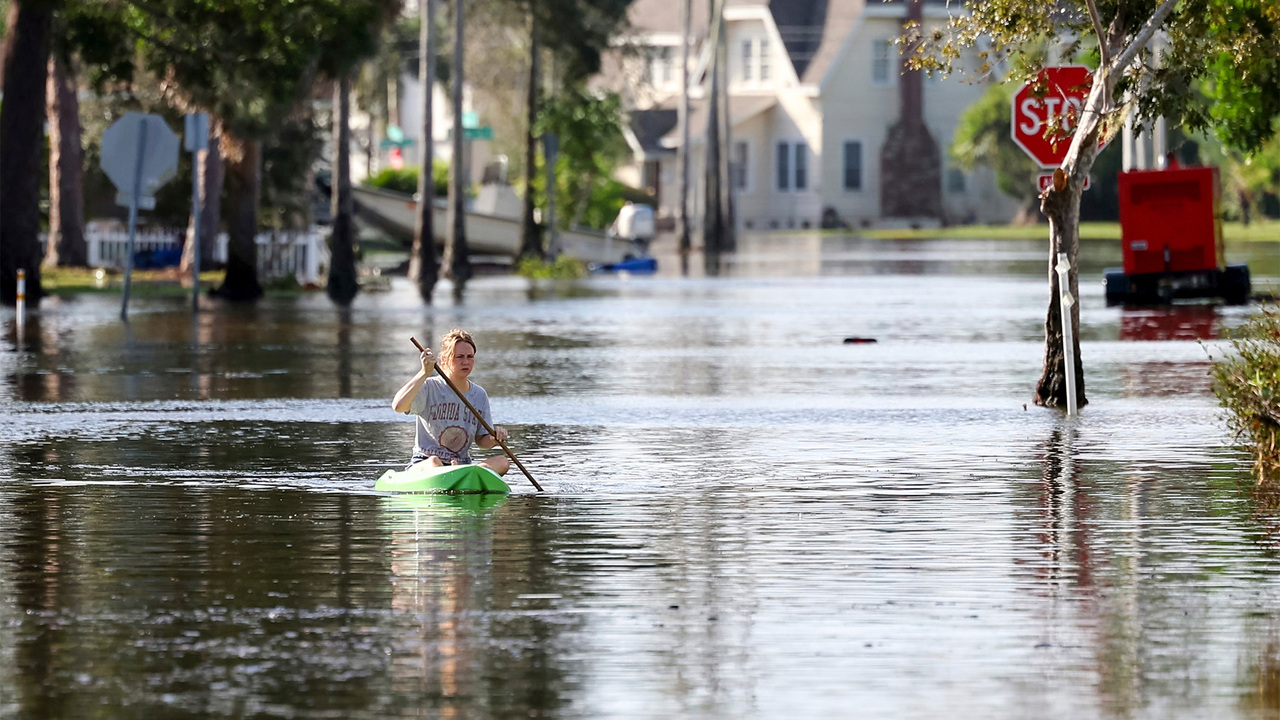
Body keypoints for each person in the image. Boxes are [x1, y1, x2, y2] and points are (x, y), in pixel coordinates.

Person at [391, 328, 511, 476]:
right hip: (425, 462)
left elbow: (481, 441)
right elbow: (398, 406)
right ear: (445, 359)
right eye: (459, 357)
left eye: (470, 356)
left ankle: (463, 474)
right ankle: (454, 474)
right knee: (435, 462)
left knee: (502, 462)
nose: (466, 362)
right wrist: (424, 372)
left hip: (461, 464)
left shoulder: (479, 394)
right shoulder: (429, 386)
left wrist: (494, 438)